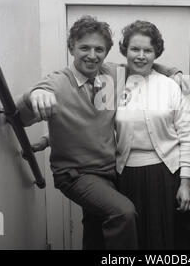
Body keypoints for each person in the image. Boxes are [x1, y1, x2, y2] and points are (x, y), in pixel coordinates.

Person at [16, 15, 180, 250]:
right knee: (123, 213)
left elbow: (142, 63)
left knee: (96, 233)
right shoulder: (57, 82)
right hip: (77, 175)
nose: (92, 55)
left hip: (110, 172)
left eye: (99, 49)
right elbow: (21, 114)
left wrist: (175, 72)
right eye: (84, 48)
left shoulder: (112, 74)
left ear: (106, 52)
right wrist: (34, 95)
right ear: (71, 47)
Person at [115, 20, 190, 249]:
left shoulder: (170, 86)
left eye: (148, 50)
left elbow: (188, 138)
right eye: (135, 49)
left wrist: (186, 184)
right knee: (134, 241)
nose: (141, 56)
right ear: (125, 50)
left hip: (166, 176)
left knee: (166, 241)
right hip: (126, 177)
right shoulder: (112, 85)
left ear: (156, 53)